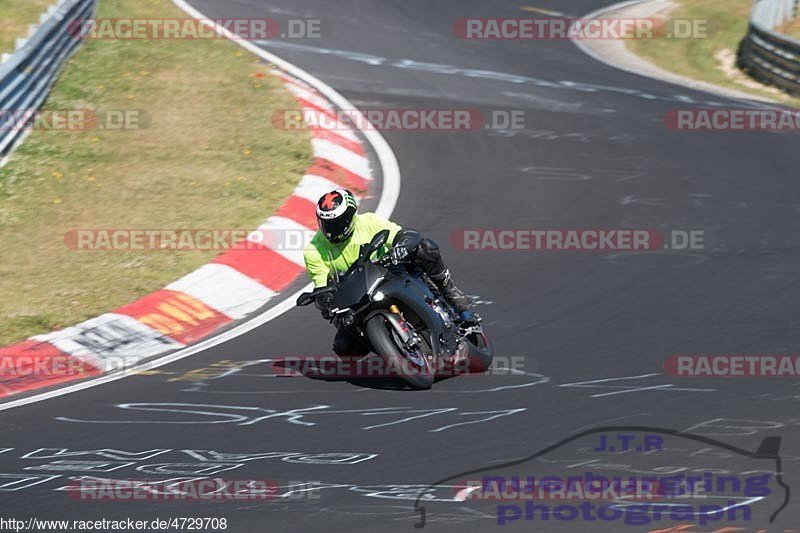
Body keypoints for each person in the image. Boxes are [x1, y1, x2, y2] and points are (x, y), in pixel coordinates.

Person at [303, 188, 475, 356]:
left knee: (425, 248)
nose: (332, 229)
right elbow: (321, 282)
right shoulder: (313, 250)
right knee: (343, 348)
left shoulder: (369, 222)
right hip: (355, 297)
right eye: (327, 224)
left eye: (338, 222)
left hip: (388, 271)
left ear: (351, 215)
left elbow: (402, 235)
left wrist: (400, 247)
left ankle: (450, 292)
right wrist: (324, 299)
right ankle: (390, 347)